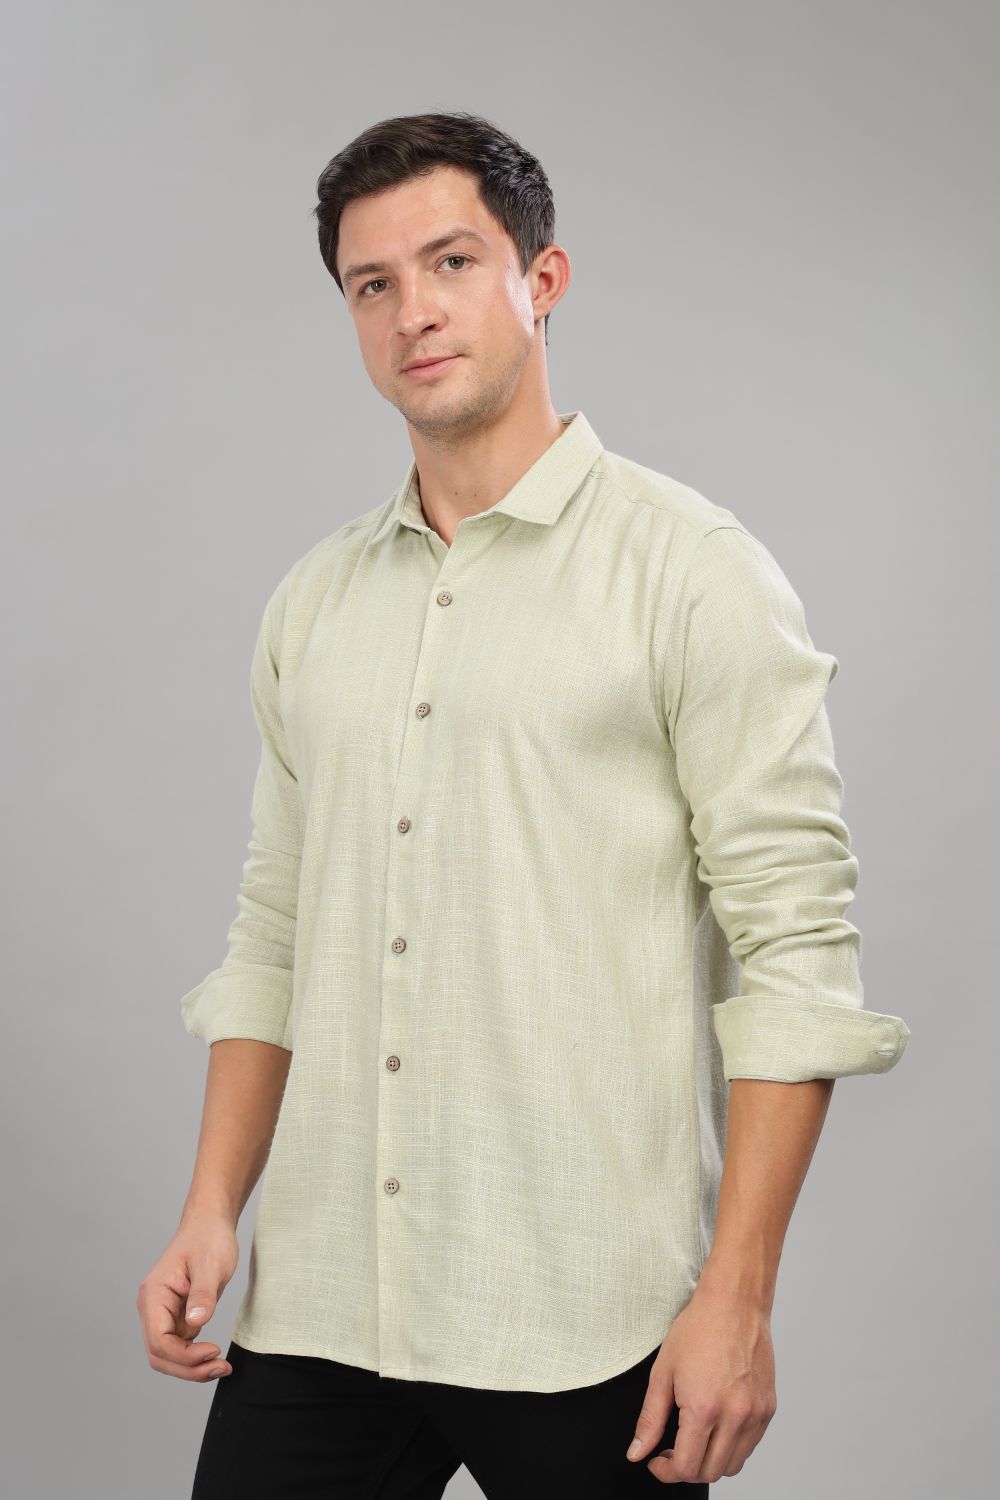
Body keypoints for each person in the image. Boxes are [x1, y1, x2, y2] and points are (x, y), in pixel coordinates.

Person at [136, 110, 911, 1498]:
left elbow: (798, 955)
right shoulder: (313, 602)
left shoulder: (692, 573)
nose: (413, 313)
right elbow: (276, 929)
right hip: (326, 1299)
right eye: (372, 284)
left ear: (541, 279)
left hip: (587, 1314)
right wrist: (211, 1209)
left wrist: (738, 1296)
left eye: (450, 262)